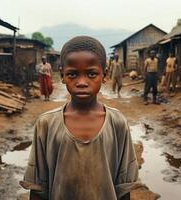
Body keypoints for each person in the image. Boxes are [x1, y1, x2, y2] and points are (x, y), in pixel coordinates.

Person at [20, 36, 139, 200]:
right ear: (62, 75)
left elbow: (124, 188)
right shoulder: (46, 124)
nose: (82, 82)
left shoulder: (117, 123)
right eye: (72, 74)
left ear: (104, 75)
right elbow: (38, 187)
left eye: (91, 74)